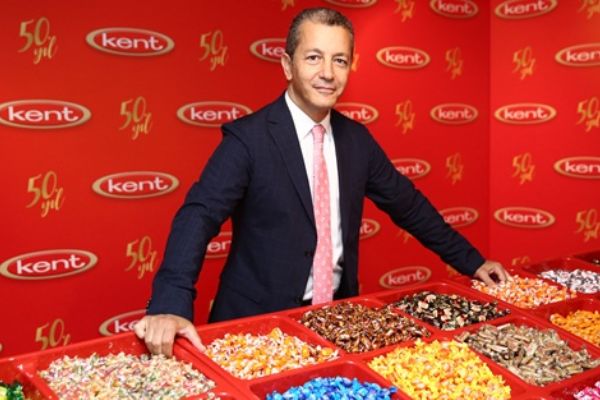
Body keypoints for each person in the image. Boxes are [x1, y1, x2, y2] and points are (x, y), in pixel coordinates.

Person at [135, 7, 509, 356]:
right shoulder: (248, 139)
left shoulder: (357, 141)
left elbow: (409, 206)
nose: (328, 73)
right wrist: (169, 303)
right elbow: (198, 216)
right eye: (314, 57)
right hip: (255, 330)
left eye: (339, 60)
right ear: (288, 65)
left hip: (335, 324)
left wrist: (472, 261)